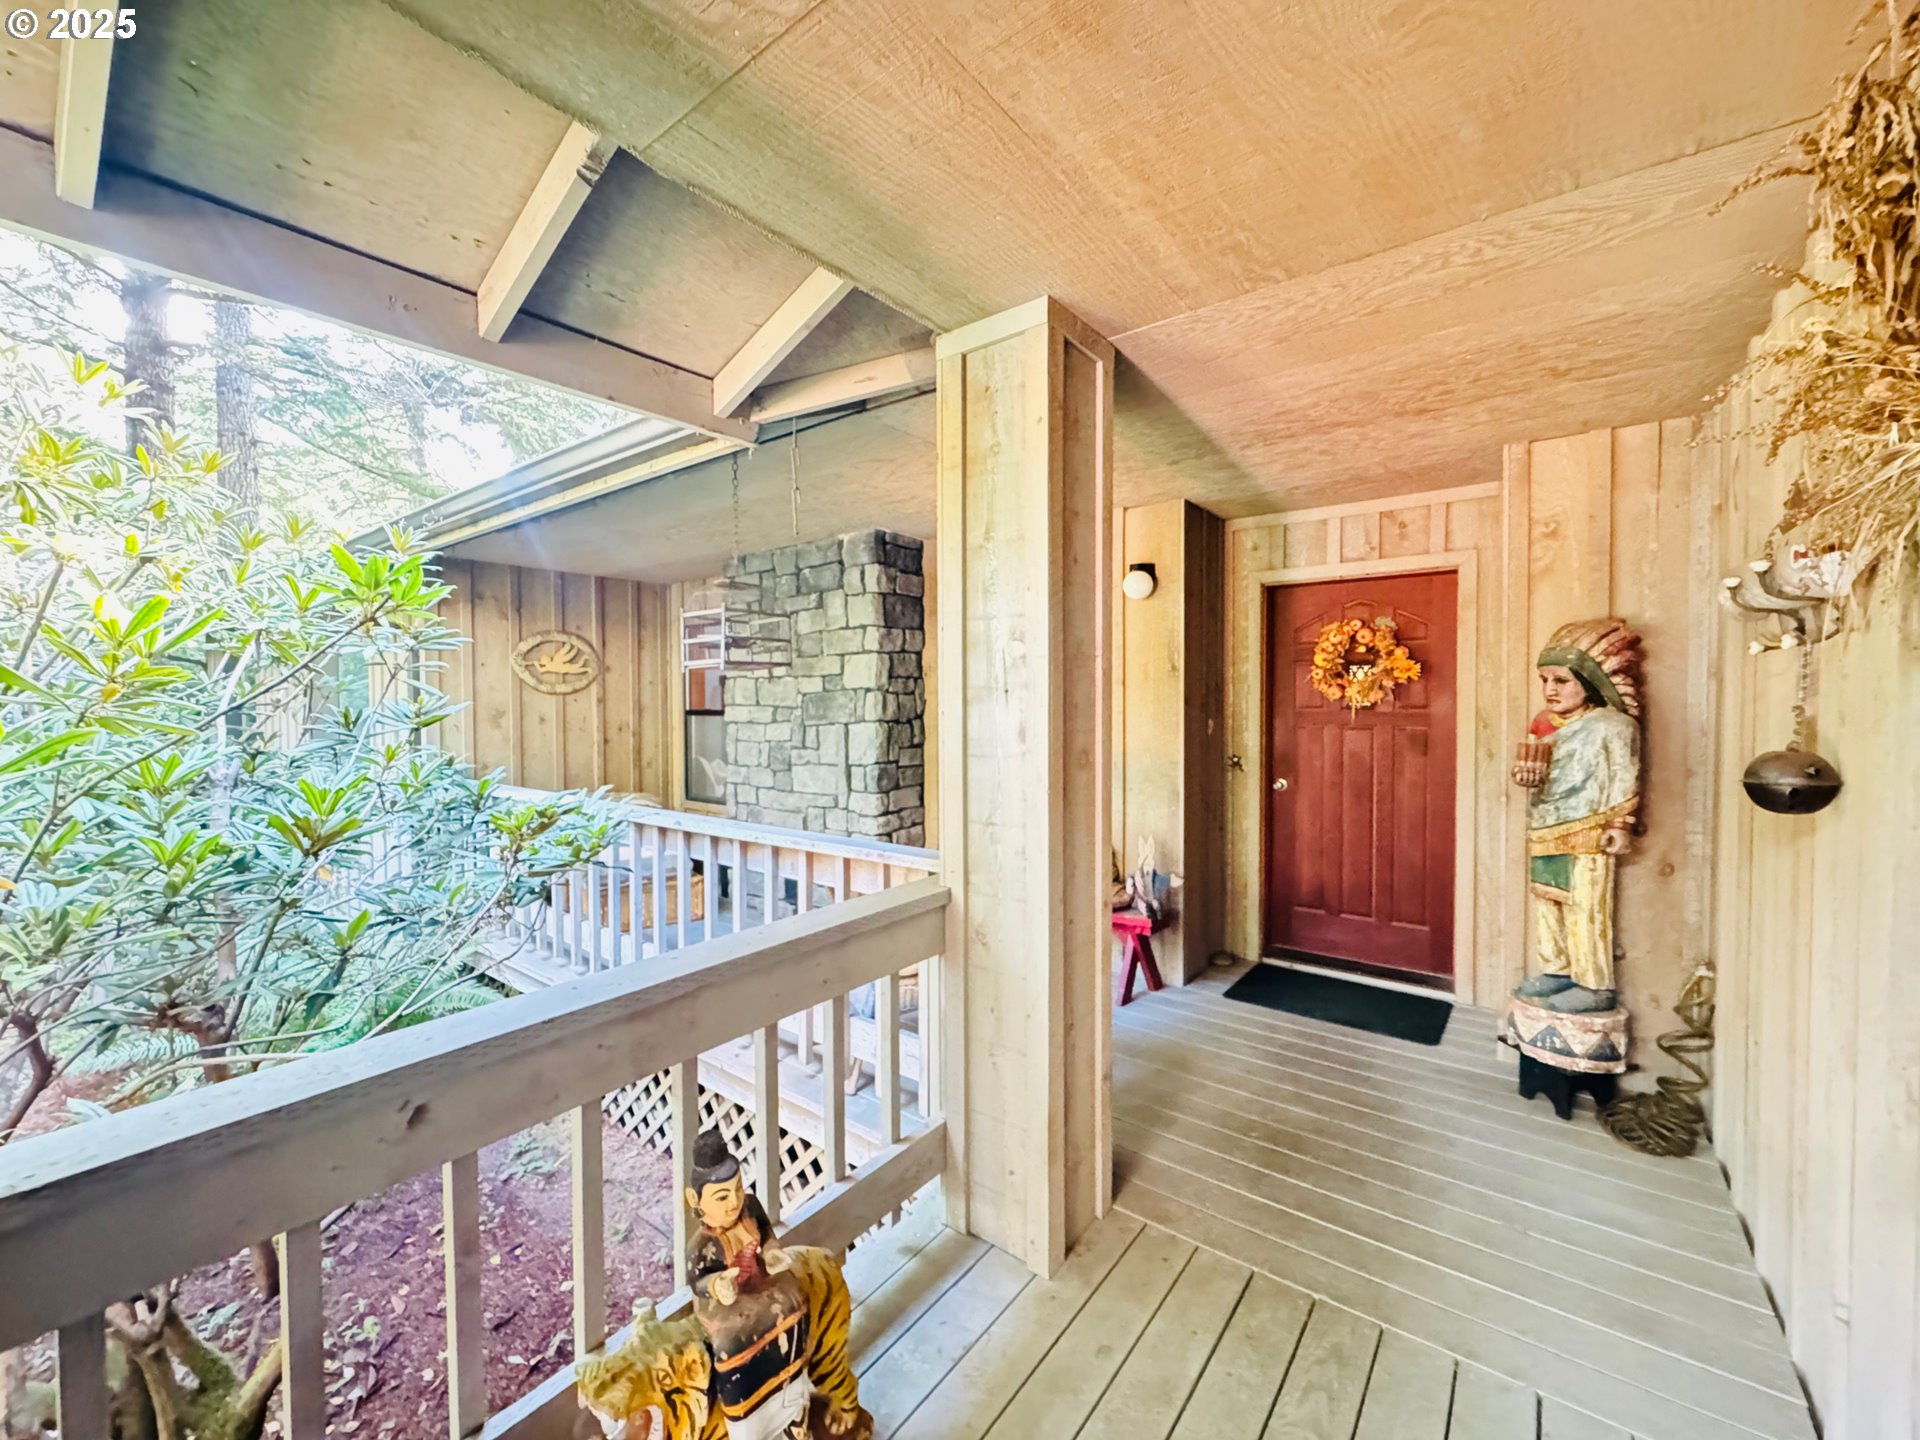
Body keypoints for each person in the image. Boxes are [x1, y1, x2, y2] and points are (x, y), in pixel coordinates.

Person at [1510, 619, 1643, 1015]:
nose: (1551, 689)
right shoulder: (1544, 724)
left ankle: (1593, 982)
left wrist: (1621, 823)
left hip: (1589, 827)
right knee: (1547, 901)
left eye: (1561, 680)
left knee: (1586, 905)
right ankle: (1557, 969)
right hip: (1545, 821)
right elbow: (1538, 773)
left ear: (1588, 681)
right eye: (1545, 680)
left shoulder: (1613, 726)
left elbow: (1624, 774)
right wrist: (1525, 776)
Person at [684, 1127, 812, 1439]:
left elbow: (766, 1232)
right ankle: (750, 1423)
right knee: (732, 1348)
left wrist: (771, 1253)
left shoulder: (750, 1208)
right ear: (695, 1198)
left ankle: (794, 1402)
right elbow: (697, 1280)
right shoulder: (702, 1244)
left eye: (738, 1190)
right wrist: (717, 1284)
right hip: (724, 1308)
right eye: (722, 1196)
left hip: (760, 1284)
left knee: (796, 1303)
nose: (733, 1202)